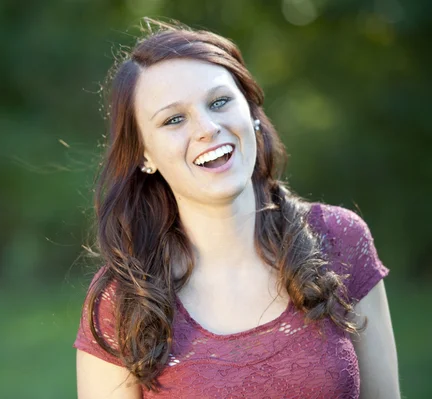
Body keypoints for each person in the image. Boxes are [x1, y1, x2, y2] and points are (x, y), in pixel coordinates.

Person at [74, 18, 400, 399]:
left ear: (250, 112)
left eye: (219, 102)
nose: (207, 128)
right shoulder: (124, 298)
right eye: (174, 119)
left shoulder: (339, 239)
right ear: (145, 154)